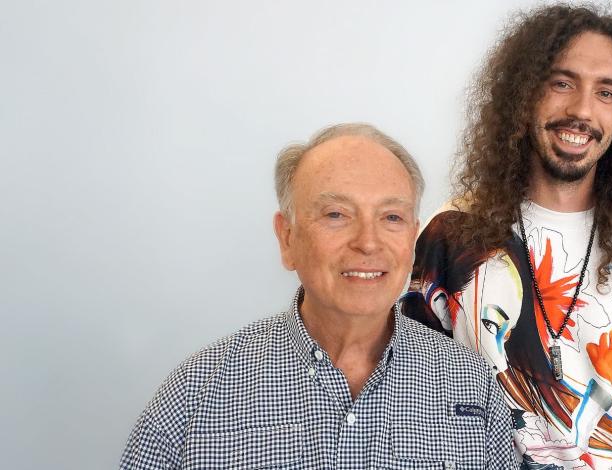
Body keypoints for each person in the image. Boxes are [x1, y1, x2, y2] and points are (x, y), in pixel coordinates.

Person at [402, 5, 612, 469]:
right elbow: (413, 377)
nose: (582, 110)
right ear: (523, 93)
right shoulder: (454, 233)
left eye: (606, 93)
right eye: (562, 83)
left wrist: (610, 428)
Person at [121, 123, 518, 469]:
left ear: (413, 238)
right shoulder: (196, 392)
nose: (367, 242)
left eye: (391, 217)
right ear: (287, 238)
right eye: (336, 215)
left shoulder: (471, 384)